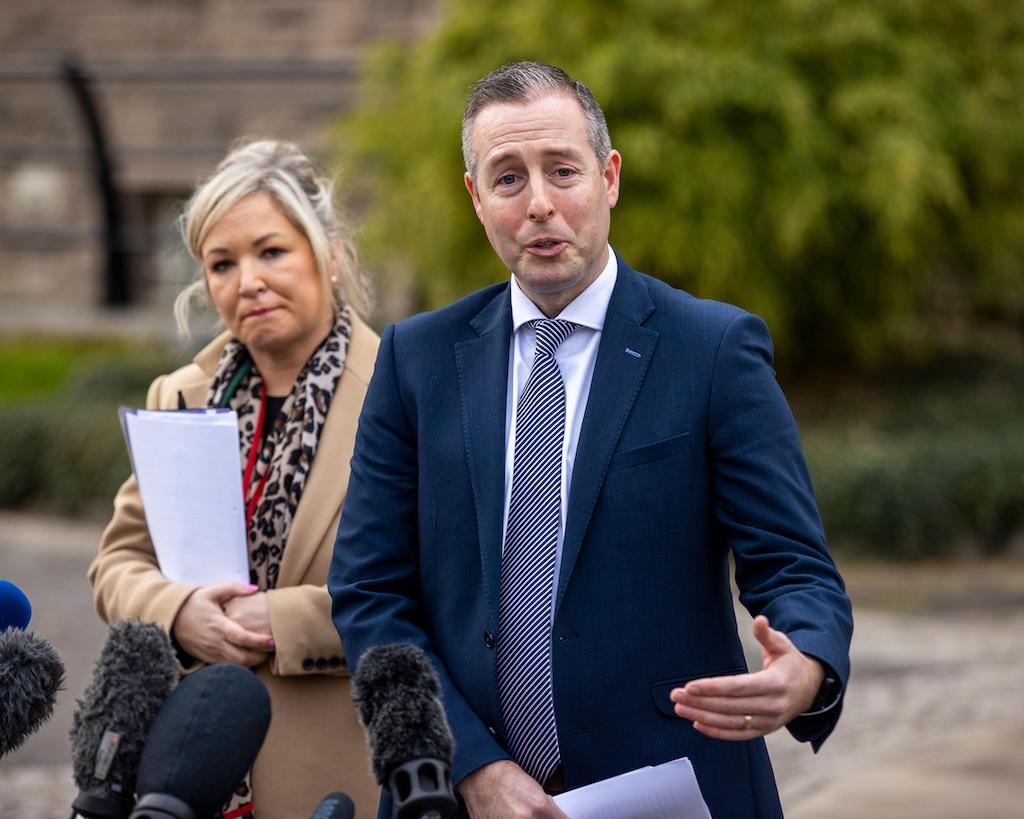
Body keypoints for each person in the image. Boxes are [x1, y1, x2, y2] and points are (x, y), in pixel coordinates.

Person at [329, 62, 853, 819]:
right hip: (457, 799)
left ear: (608, 177)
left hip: (675, 787)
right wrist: (471, 767)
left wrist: (802, 665)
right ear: (477, 197)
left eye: (562, 170)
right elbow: (371, 594)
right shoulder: (416, 359)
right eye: (508, 178)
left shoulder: (711, 350)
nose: (540, 203)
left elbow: (795, 565)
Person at [89, 140, 380, 819]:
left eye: (270, 251)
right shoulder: (180, 395)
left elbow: (439, 586)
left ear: (329, 254)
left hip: (337, 774)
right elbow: (117, 562)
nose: (247, 279)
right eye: (222, 263)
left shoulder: (400, 393)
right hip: (187, 775)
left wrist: (278, 621)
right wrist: (176, 610)